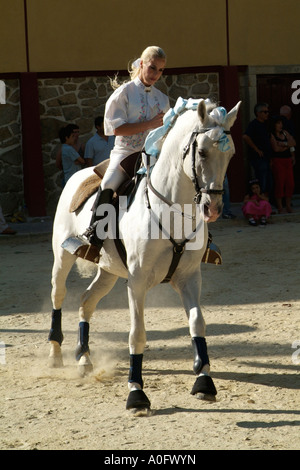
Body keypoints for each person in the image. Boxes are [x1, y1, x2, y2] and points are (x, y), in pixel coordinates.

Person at [62, 45, 170, 258]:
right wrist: (148, 124)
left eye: (160, 70)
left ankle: (192, 239)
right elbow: (114, 128)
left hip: (153, 154)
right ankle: (94, 238)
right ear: (141, 64)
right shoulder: (124, 93)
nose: (156, 74)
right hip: (125, 153)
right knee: (109, 183)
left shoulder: (163, 99)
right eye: (152, 68)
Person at [243, 102, 273, 196]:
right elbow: (245, 136)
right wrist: (256, 149)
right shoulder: (254, 124)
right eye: (265, 112)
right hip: (258, 158)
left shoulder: (266, 125)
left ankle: (266, 204)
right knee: (261, 180)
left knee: (269, 181)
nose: (267, 114)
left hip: (267, 157)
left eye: (267, 112)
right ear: (258, 113)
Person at [270, 116, 296, 213]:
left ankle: (288, 205)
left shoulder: (285, 133)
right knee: (280, 183)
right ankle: (280, 207)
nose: (280, 125)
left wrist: (283, 144)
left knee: (290, 183)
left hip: (287, 160)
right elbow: (276, 149)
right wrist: (287, 144)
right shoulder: (272, 135)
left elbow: (293, 143)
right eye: (278, 123)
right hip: (278, 160)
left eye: (281, 123)